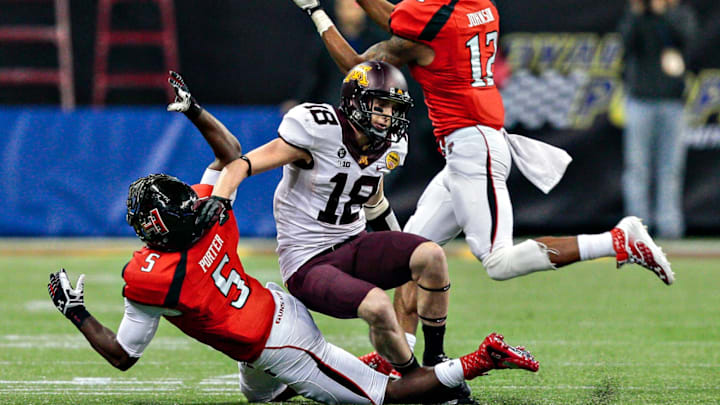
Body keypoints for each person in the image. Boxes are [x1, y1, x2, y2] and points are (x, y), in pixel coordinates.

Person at [46, 71, 539, 404]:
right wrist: (196, 116)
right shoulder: (211, 215)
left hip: (278, 342)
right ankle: (377, 365)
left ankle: (475, 361)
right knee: (265, 395)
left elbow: (123, 355)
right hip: (277, 309)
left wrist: (76, 311)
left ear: (148, 230)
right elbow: (231, 156)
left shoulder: (149, 277)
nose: (389, 118)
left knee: (384, 395)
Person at [289, 0, 675, 374]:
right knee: (411, 252)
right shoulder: (478, 7)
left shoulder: (436, 20)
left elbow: (360, 67)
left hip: (475, 146)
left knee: (499, 261)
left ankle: (617, 240)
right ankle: (404, 355)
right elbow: (396, 18)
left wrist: (316, 12)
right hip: (466, 149)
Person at [618, 0, 698, 239]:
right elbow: (627, 42)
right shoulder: (637, 15)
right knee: (637, 166)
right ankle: (636, 226)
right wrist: (637, 11)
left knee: (670, 168)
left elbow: (687, 39)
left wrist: (666, 11)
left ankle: (669, 226)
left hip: (672, 100)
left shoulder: (680, 13)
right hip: (640, 99)